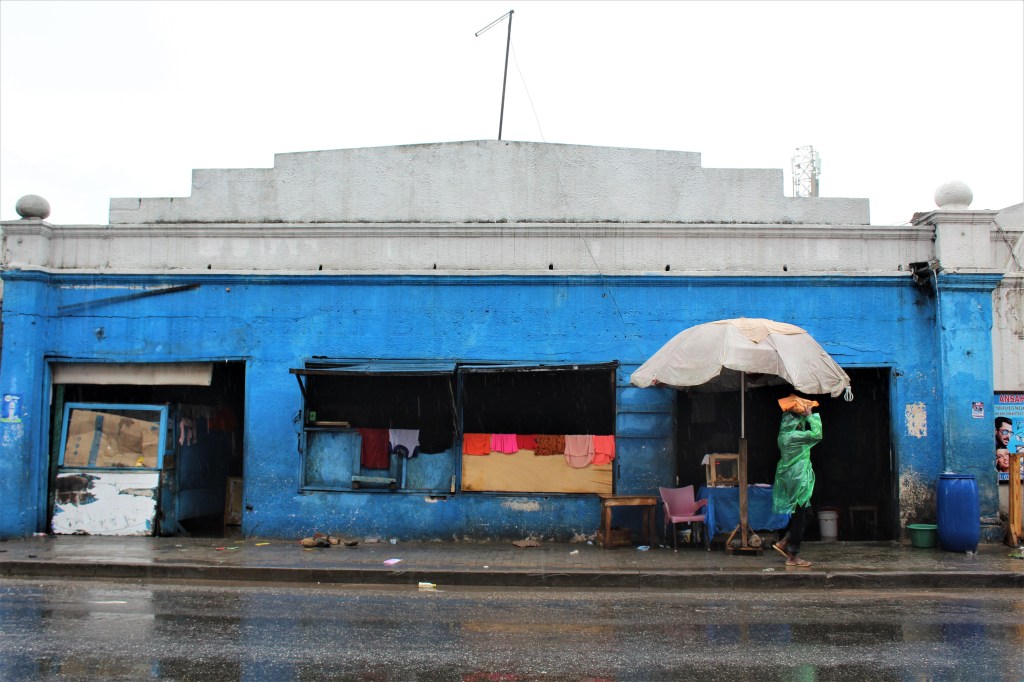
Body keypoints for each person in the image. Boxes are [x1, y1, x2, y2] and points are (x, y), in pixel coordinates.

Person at [771, 394, 823, 567]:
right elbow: (817, 435)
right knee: (800, 516)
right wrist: (810, 416)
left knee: (807, 515)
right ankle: (793, 556)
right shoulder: (792, 437)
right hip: (797, 480)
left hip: (795, 479)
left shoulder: (784, 435)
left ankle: (784, 542)